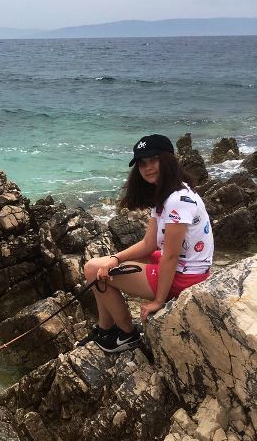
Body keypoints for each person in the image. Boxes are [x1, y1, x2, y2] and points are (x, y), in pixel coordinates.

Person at [80, 134, 214, 354]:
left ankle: (127, 334)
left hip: (186, 277)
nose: (148, 167)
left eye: (154, 160)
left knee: (93, 270)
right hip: (184, 266)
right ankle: (105, 328)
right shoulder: (166, 193)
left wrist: (159, 301)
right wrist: (115, 259)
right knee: (98, 266)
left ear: (168, 160)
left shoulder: (177, 200)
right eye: (142, 163)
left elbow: (170, 256)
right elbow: (149, 244)